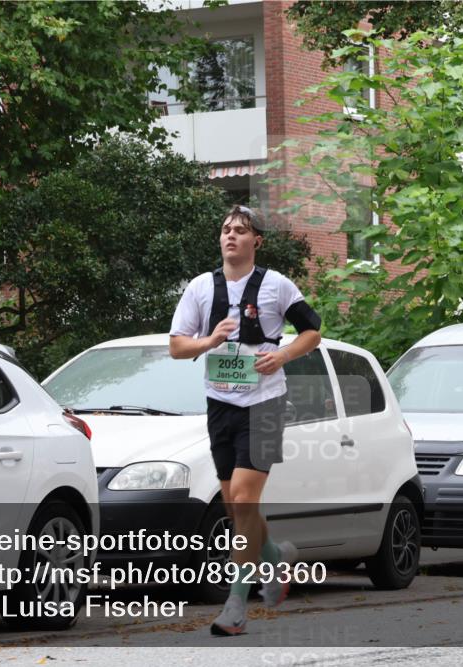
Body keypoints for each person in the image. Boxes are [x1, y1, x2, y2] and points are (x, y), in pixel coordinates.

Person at [169, 205, 322, 636]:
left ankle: (236, 605)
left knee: (243, 497)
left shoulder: (277, 286)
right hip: (220, 404)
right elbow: (177, 347)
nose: (231, 235)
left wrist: (284, 354)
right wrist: (210, 340)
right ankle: (275, 559)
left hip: (266, 403)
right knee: (238, 508)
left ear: (257, 241)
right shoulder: (201, 288)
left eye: (241, 230)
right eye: (225, 230)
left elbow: (313, 330)